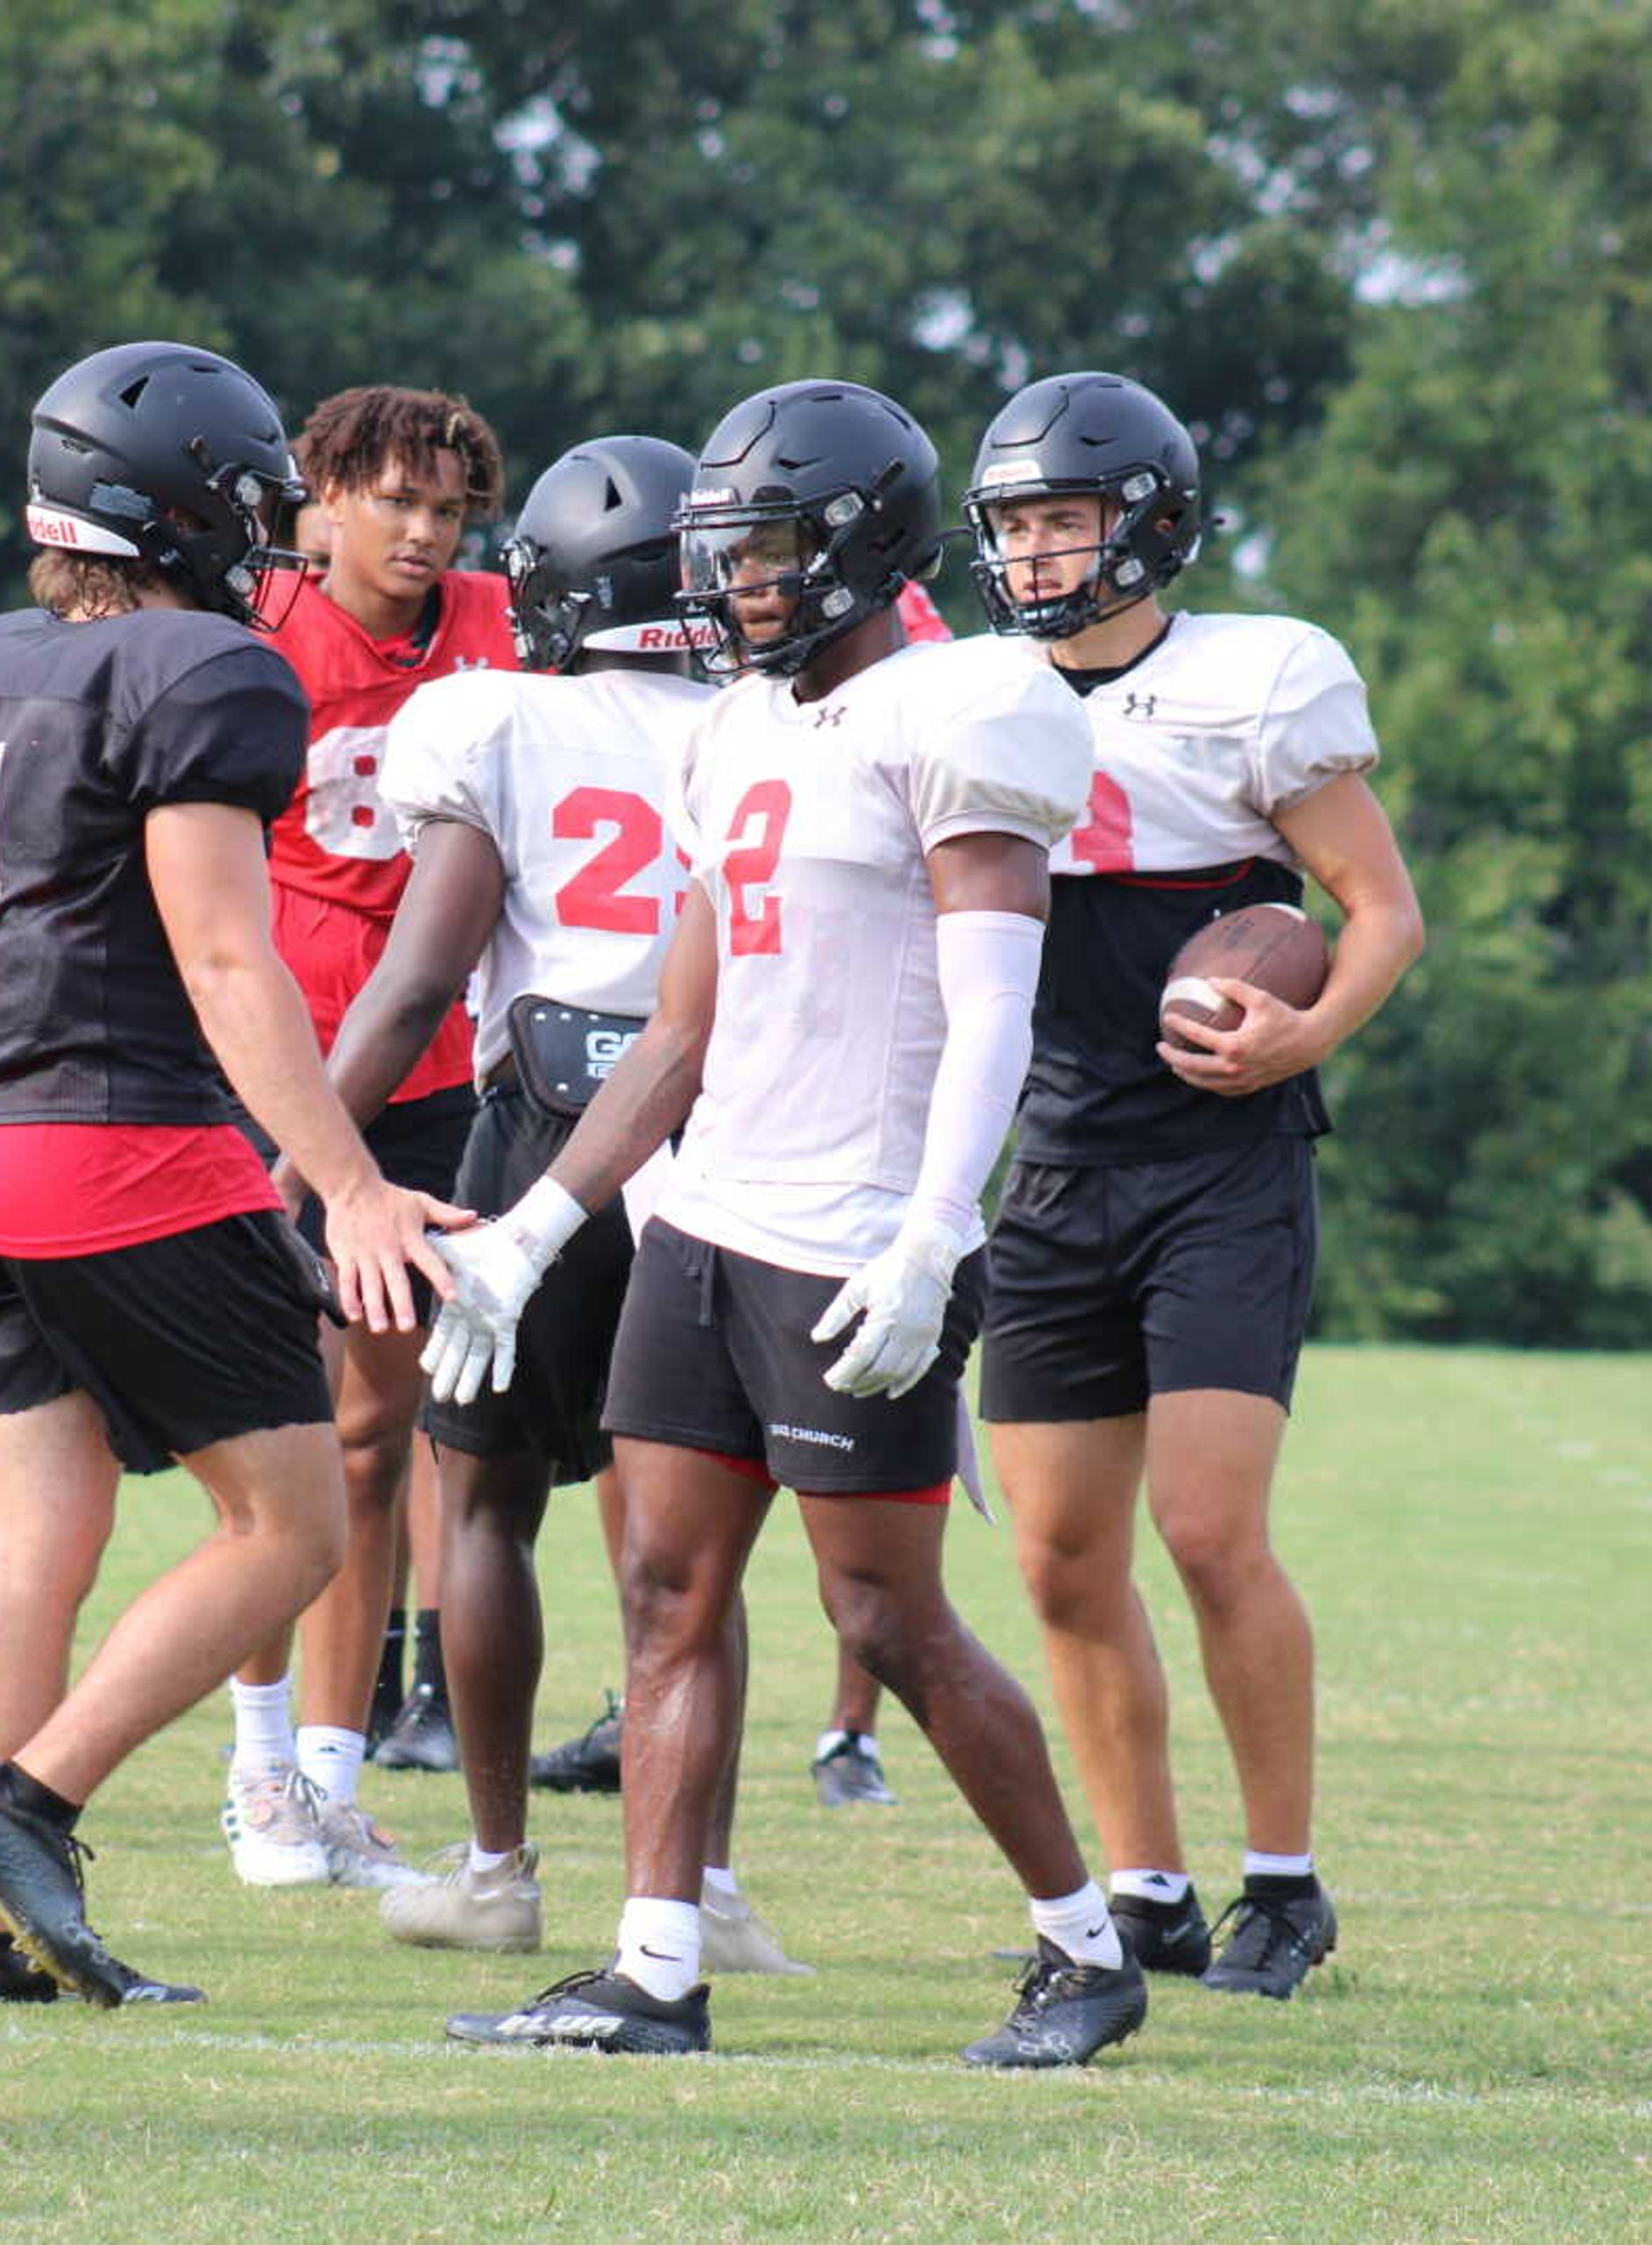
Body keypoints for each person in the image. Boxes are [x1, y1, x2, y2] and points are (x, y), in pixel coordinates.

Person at [429, 379, 1142, 2065]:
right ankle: (654, 1970)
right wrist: (539, 1221)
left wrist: (932, 1234)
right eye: (728, 552)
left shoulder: (958, 706)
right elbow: (680, 1022)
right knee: (669, 1587)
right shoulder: (737, 727)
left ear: (860, 544)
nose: (740, 582)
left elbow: (994, 1012)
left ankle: (1085, 1943)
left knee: (887, 1618)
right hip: (708, 1216)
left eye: (769, 550)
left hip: (855, 1233)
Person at [0, 339, 459, 2004]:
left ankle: (7, 1947)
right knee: (295, 1521)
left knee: (39, 1529)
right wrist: (346, 1180)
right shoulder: (206, 666)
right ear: (191, 508)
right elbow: (225, 957)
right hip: (118, 1143)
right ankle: (24, 1804)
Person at [282, 432, 799, 1975]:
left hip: (544, 1133)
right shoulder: (764, 724)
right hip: (718, 1145)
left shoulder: (496, 717)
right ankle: (697, 1882)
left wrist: (304, 1160)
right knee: (688, 1528)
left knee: (483, 1499)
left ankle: (500, 1866)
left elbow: (420, 979)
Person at [964, 370, 1422, 2000]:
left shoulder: (1256, 681)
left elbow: (1380, 909)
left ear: (1148, 523)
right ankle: (1146, 1878)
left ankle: (1283, 1883)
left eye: (1063, 519)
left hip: (1219, 1165)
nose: (1031, 553)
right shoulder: (969, 694)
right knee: (1057, 1558)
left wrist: (1303, 1037)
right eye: (1014, 523)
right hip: (1057, 1154)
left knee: (1211, 1529)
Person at [223, 383, 514, 1887]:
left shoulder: (498, 621)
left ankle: (330, 1775)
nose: (422, 532)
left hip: (443, 1062)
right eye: (393, 499)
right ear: (318, 497)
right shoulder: (255, 617)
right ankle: (258, 1768)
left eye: (448, 508)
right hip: (277, 1063)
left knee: (374, 1435)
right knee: (276, 1434)